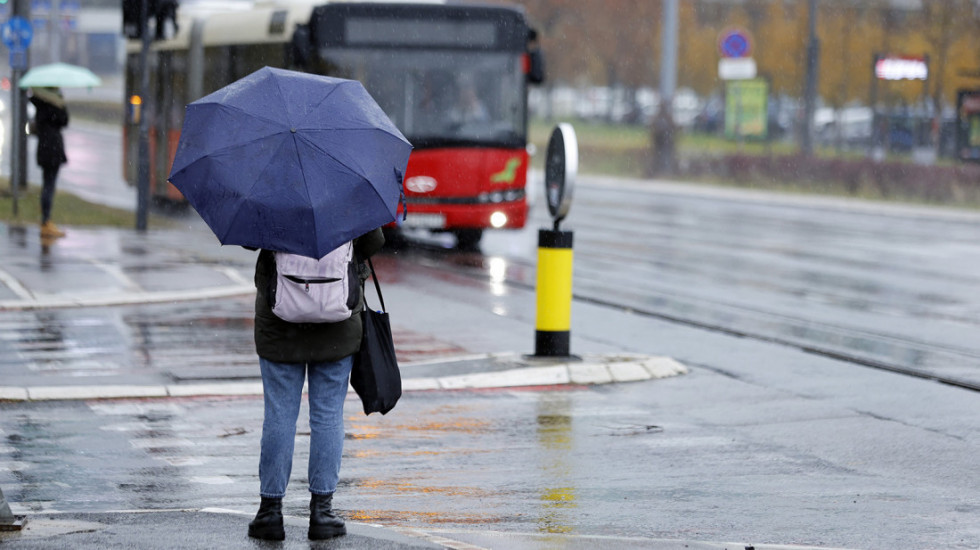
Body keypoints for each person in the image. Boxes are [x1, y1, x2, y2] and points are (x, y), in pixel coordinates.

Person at [247, 227, 385, 541]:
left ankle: (270, 512)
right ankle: (322, 511)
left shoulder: (273, 188)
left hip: (279, 321)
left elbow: (249, 238)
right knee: (327, 417)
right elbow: (373, 241)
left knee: (279, 416)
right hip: (337, 322)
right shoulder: (349, 190)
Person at [29, 87, 70, 239]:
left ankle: (45, 219)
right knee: (49, 185)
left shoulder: (39, 104)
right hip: (53, 148)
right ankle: (46, 221)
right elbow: (64, 120)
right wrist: (61, 104)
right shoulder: (54, 105)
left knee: (47, 183)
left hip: (44, 148)